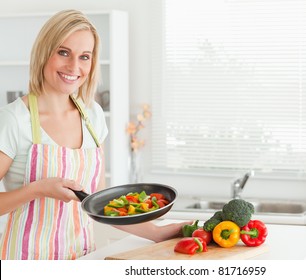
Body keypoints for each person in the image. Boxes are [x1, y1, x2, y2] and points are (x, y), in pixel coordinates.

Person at [0, 9, 189, 260]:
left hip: (83, 258)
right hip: (26, 262)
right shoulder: (14, 119)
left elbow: (98, 205)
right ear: (45, 52)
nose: (74, 66)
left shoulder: (92, 116)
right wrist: (37, 190)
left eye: (85, 56)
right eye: (63, 52)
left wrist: (157, 232)